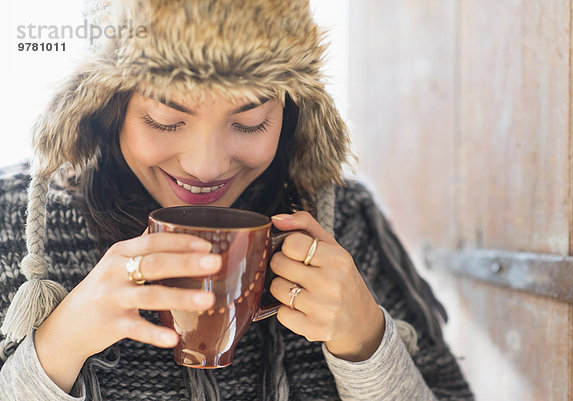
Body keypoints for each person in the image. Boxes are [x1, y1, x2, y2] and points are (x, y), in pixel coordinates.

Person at [0, 0, 474, 400]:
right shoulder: (13, 217)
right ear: (107, 106)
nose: (206, 167)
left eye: (250, 123)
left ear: (290, 112)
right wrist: (57, 347)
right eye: (166, 119)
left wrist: (366, 342)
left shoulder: (343, 223)